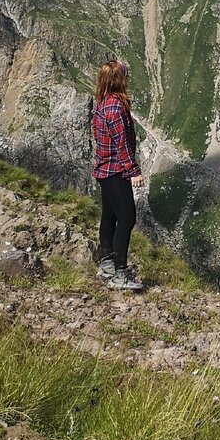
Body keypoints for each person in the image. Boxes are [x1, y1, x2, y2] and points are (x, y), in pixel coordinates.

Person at [91, 58, 145, 291]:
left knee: (109, 216)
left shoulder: (102, 105)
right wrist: (133, 171)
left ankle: (107, 263)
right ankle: (120, 274)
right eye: (125, 75)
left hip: (105, 170)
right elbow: (122, 144)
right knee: (127, 218)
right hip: (116, 170)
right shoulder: (116, 107)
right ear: (119, 79)